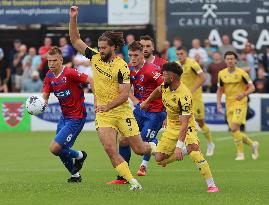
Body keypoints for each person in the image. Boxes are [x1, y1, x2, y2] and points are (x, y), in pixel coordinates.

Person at [69, 6, 155, 190]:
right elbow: (75, 39)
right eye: (98, 47)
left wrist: (107, 105)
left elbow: (125, 94)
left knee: (140, 149)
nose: (99, 51)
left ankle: (154, 147)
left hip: (122, 112)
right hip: (104, 115)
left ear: (114, 47)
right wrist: (73, 18)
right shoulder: (94, 57)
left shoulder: (122, 66)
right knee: (110, 148)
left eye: (103, 48)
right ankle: (133, 182)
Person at [140, 62, 219, 193]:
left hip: (186, 126)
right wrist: (147, 101)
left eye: (164, 75)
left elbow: (184, 124)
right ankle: (186, 150)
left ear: (172, 78)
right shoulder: (165, 86)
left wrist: (178, 146)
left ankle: (212, 185)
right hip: (171, 126)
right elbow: (158, 91)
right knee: (159, 159)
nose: (161, 77)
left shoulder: (184, 96)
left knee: (195, 153)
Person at [108, 41, 165, 184]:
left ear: (142, 55)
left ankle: (163, 149)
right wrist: (135, 100)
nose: (132, 58)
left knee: (140, 146)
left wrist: (168, 114)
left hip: (155, 113)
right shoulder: (129, 69)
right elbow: (126, 90)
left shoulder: (151, 70)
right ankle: (123, 177)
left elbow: (166, 88)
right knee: (123, 140)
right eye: (130, 55)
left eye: (136, 55)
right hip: (139, 111)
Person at [42, 46, 92, 182]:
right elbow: (45, 93)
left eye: (54, 61)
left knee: (55, 148)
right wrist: (43, 102)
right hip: (64, 117)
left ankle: (80, 155)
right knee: (60, 150)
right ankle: (75, 176)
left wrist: (98, 100)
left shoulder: (70, 73)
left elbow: (91, 80)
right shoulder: (49, 76)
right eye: (49, 61)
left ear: (61, 60)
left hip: (76, 118)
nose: (51, 64)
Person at [217, 51, 259, 160]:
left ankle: (240, 153)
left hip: (240, 103)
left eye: (232, 59)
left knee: (235, 127)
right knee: (234, 130)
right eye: (228, 58)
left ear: (236, 60)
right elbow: (220, 90)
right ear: (225, 60)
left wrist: (244, 94)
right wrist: (218, 104)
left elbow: (252, 87)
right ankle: (253, 144)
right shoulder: (221, 74)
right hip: (229, 103)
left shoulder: (242, 73)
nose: (230, 60)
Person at [176, 47, 215, 156]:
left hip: (195, 98)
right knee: (184, 122)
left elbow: (203, 77)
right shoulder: (176, 65)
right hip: (182, 99)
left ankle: (210, 143)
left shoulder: (192, 64)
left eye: (182, 53)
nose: (180, 55)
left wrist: (193, 89)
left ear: (186, 54)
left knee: (200, 121)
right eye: (178, 54)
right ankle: (188, 144)